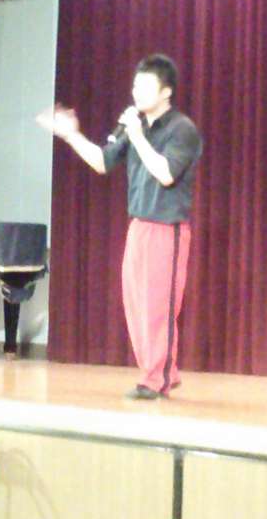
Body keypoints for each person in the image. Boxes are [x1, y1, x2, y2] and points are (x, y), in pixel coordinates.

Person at [37, 53, 203, 399]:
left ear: (166, 91)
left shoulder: (182, 129)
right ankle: (162, 372)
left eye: (145, 86)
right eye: (135, 85)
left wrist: (138, 137)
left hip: (167, 229)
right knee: (137, 304)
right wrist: (71, 136)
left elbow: (166, 174)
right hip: (139, 225)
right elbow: (102, 162)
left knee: (158, 306)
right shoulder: (135, 127)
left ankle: (156, 379)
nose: (136, 91)